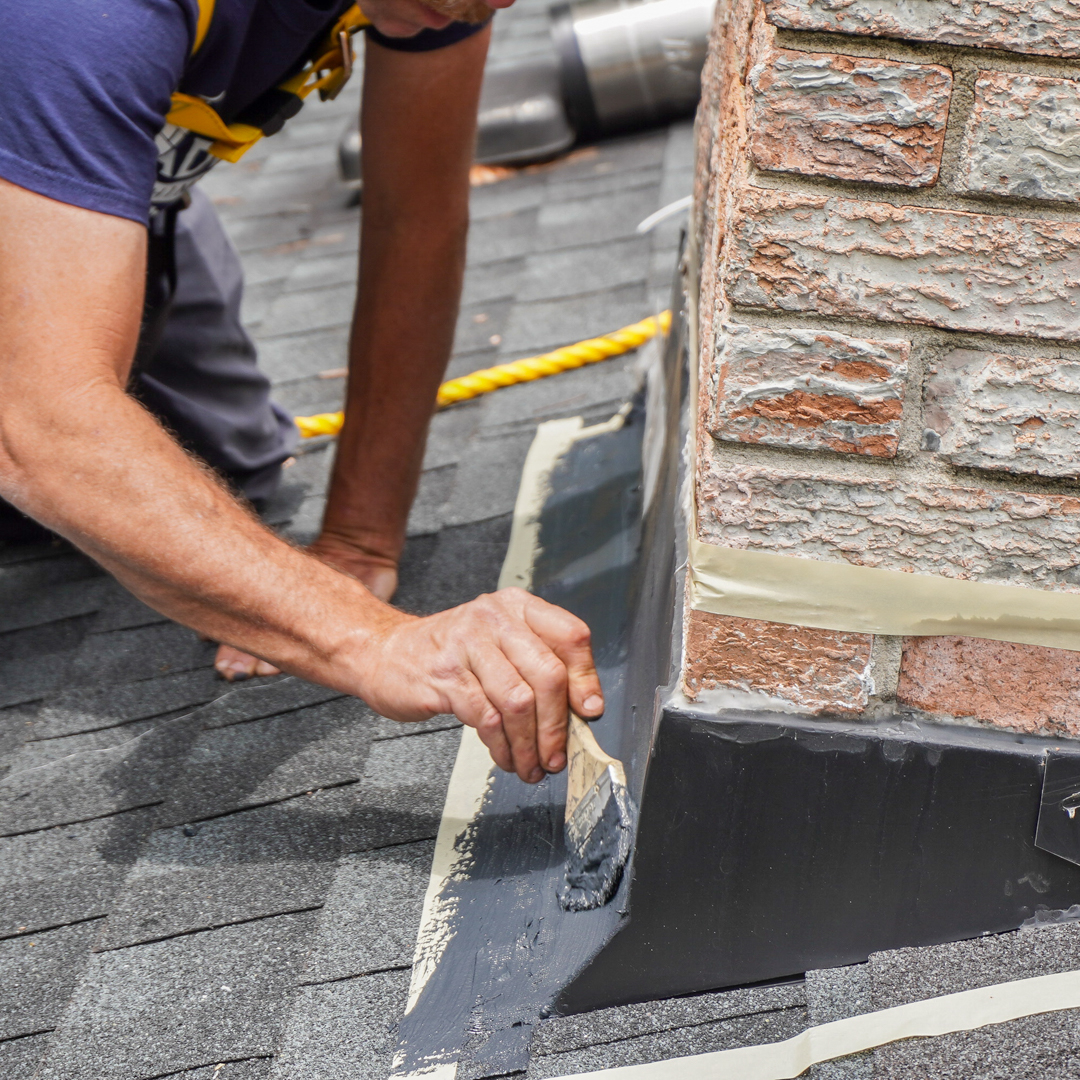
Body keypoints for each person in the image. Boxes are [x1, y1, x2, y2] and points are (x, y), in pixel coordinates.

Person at [0, 0, 604, 785]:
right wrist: (376, 641)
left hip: (92, 166)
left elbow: (414, 218)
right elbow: (47, 422)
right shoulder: (87, 20)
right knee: (68, 477)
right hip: (42, 116)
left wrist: (360, 541)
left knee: (217, 476)